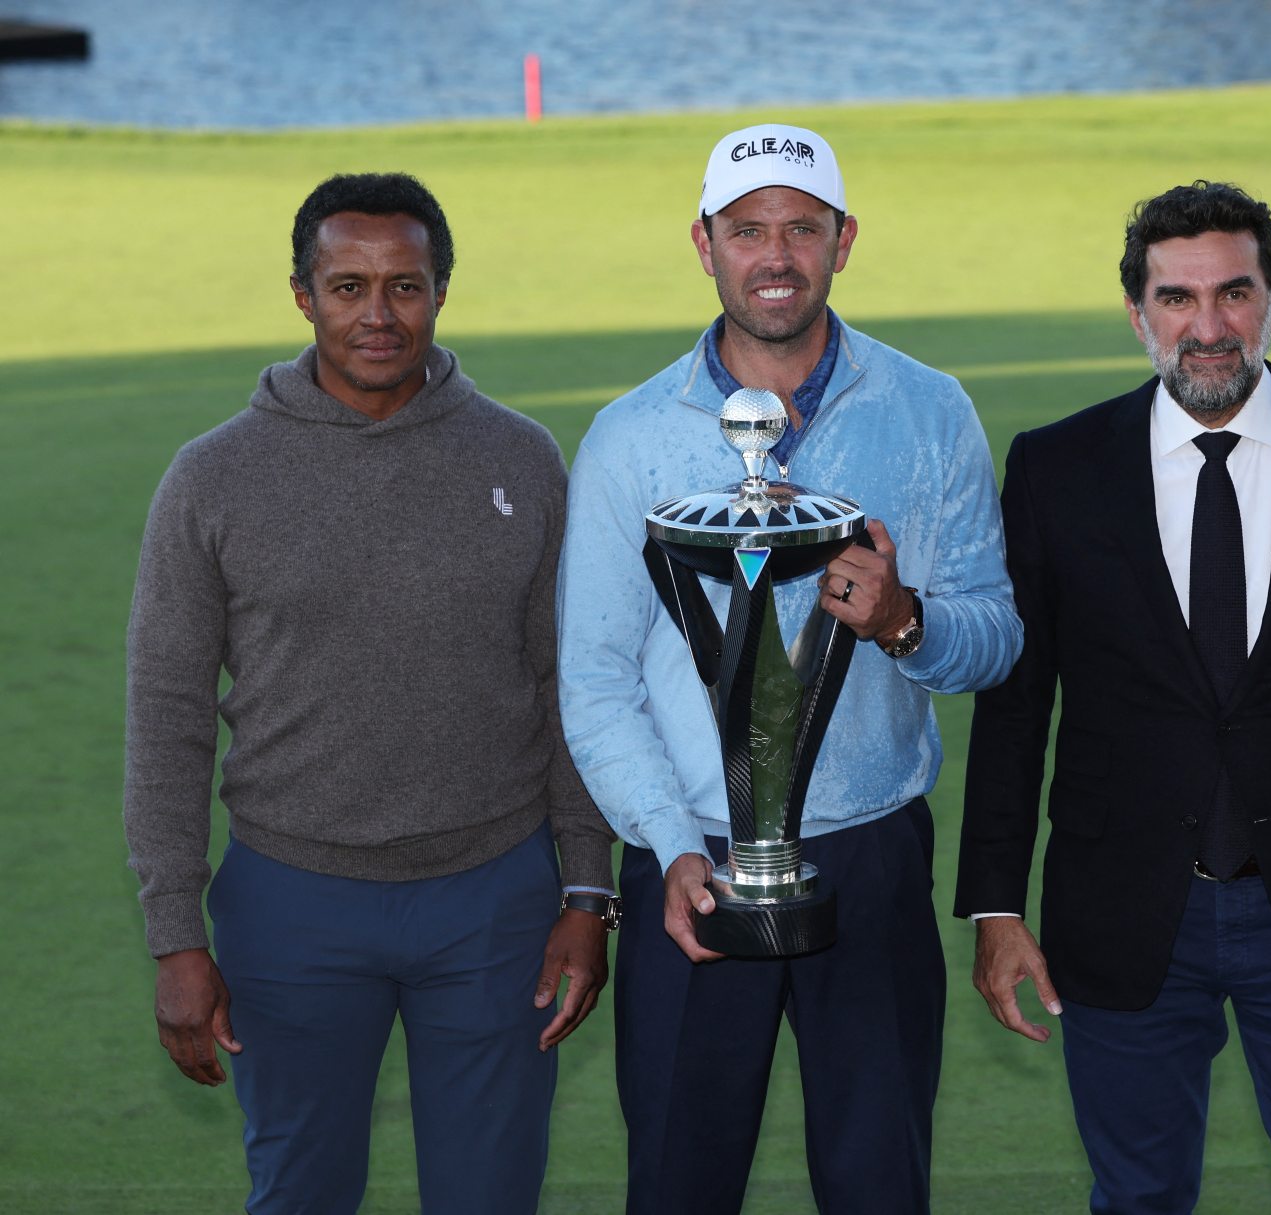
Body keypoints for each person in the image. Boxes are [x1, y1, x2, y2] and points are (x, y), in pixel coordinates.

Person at [124, 172, 617, 1215]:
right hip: (290, 902)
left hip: (494, 901)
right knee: (300, 1193)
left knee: (490, 1197)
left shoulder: (521, 459)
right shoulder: (212, 477)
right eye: (348, 287)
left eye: (406, 286)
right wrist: (176, 935)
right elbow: (167, 715)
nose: (378, 316)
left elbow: (569, 685)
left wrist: (586, 892)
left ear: (443, 292)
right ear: (303, 296)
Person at [955, 180, 1271, 1215]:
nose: (1209, 326)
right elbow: (1015, 706)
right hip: (1124, 909)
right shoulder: (1056, 468)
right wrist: (996, 906)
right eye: (1177, 299)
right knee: (1136, 1199)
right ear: (1139, 314)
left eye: (1234, 292)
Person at [556, 123, 1021, 1215]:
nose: (777, 254)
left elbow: (995, 635)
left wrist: (908, 622)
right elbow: (595, 681)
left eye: (802, 229)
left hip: (870, 854)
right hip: (689, 860)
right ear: (704, 244)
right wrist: (668, 843)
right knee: (679, 1182)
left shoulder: (930, 408)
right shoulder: (630, 438)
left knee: (878, 1183)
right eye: (749, 229)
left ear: (844, 241)